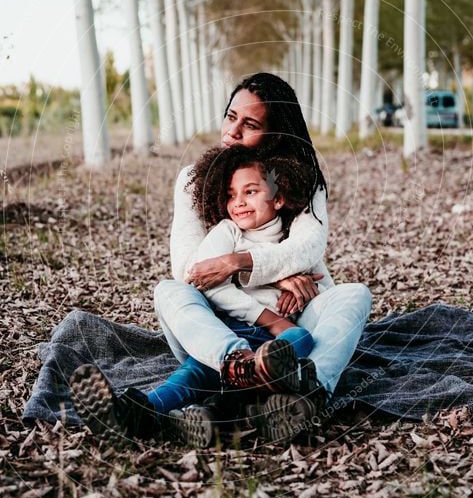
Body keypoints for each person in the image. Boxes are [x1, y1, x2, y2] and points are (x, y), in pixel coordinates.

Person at [70, 73, 372, 445]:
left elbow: (307, 250)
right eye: (231, 117)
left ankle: (304, 396)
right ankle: (241, 370)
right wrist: (274, 274)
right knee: (169, 290)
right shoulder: (194, 181)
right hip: (214, 330)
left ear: (274, 134)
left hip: (295, 319)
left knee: (355, 294)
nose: (232, 131)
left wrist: (236, 264)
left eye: (250, 124)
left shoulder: (302, 181)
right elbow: (189, 271)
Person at [69, 145, 321, 445]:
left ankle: (210, 414)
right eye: (230, 195)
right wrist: (271, 316)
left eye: (250, 192)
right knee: (191, 374)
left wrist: (277, 274)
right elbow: (204, 280)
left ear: (278, 198)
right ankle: (135, 411)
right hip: (224, 337)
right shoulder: (228, 232)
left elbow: (305, 269)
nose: (238, 202)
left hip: (272, 350)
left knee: (301, 340)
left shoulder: (293, 240)